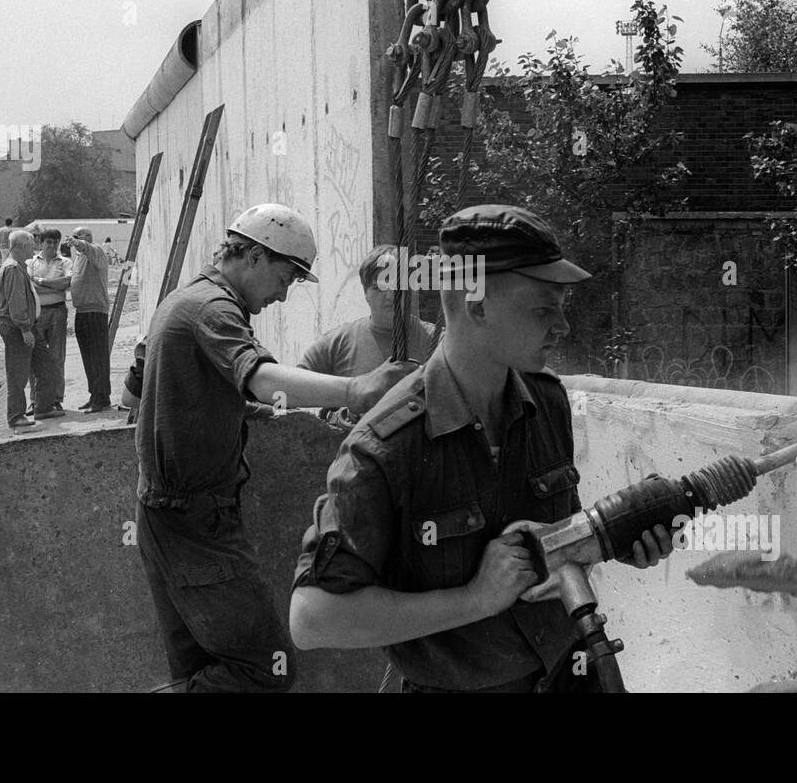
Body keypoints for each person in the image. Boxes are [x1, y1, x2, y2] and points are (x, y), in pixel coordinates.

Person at [289, 204, 674, 693]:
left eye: (562, 307)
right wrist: (475, 599)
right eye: (542, 309)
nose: (563, 327)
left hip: (570, 674)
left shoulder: (545, 400)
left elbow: (553, 548)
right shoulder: (385, 446)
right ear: (476, 306)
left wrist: (612, 543)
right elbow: (312, 619)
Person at [134, 202, 416, 693]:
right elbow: (260, 378)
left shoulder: (192, 298)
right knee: (266, 668)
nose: (285, 294)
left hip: (168, 515)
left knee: (200, 670)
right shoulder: (213, 309)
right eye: (287, 277)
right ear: (255, 257)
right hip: (195, 522)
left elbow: (199, 394)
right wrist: (355, 389)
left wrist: (253, 414)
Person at [298, 244, 437, 427]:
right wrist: (338, 417)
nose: (389, 296)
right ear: (365, 293)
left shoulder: (437, 341)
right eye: (378, 287)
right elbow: (288, 395)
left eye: (397, 286)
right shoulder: (336, 344)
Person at [0, 230, 49, 429]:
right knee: (18, 374)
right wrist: (25, 329)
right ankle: (16, 417)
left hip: (24, 326)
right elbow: (17, 303)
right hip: (17, 328)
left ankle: (43, 407)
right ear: (23, 247)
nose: (33, 251)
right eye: (31, 247)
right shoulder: (14, 269)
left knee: (44, 367)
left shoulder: (16, 267)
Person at [27, 229, 72, 417]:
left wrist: (41, 282)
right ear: (41, 243)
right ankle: (35, 401)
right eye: (48, 242)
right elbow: (29, 286)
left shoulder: (65, 262)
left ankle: (56, 399)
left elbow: (67, 283)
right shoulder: (30, 262)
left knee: (56, 357)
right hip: (37, 314)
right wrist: (53, 284)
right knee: (34, 358)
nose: (52, 246)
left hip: (58, 312)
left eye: (55, 242)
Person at [67, 227, 112, 412]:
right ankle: (94, 394)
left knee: (98, 356)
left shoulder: (96, 251)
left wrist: (77, 242)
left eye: (78, 237)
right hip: (82, 311)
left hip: (95, 311)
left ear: (87, 238)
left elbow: (88, 247)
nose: (75, 240)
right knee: (88, 357)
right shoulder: (80, 258)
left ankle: (102, 397)